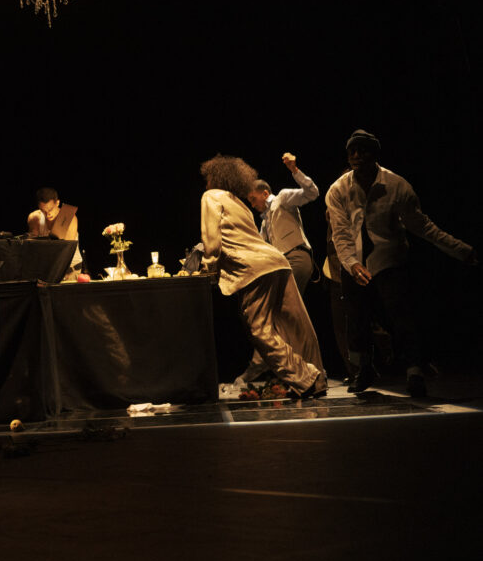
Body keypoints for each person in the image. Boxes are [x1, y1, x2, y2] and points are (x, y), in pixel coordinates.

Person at [325, 129, 477, 396]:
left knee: (401, 317)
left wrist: (461, 250)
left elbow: (423, 226)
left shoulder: (396, 186)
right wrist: (352, 264)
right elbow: (341, 233)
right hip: (354, 259)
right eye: (352, 151)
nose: (357, 155)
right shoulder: (338, 190)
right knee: (356, 318)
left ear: (375, 154)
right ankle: (364, 369)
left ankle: (414, 371)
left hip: (388, 259)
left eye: (363, 150)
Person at [200, 156, 327, 398]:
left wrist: (208, 270)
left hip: (254, 268)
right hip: (277, 261)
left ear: (216, 178)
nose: (205, 184)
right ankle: (318, 379)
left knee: (260, 328)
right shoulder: (240, 203)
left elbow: (212, 241)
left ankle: (305, 377)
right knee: (295, 324)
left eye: (207, 179)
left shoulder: (211, 196)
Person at [237, 152, 319, 383]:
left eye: (253, 199)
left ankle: (264, 365)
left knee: (281, 314)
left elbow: (312, 193)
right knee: (284, 315)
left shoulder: (282, 199)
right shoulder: (265, 223)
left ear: (265, 193)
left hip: (297, 258)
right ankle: (296, 368)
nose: (252, 204)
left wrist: (295, 170)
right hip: (282, 265)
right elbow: (258, 248)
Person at [26, 187, 82, 280]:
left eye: (50, 209)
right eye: (43, 210)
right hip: (47, 270)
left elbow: (67, 251)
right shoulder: (34, 218)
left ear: (57, 203)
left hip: (69, 270)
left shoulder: (68, 216)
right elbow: (34, 248)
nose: (48, 214)